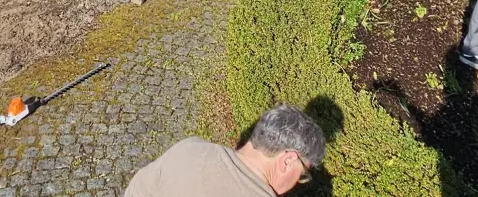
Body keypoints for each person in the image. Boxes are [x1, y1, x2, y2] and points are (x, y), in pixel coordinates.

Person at [123, 103, 326, 196]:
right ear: (287, 160)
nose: (296, 184)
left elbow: (137, 190)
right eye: (302, 175)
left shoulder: (189, 148)